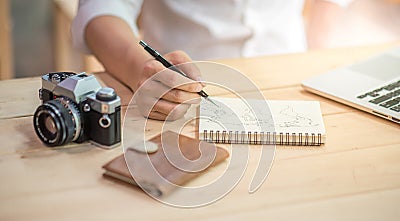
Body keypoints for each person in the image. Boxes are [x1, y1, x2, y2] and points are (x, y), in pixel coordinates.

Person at [72, 0, 351, 120]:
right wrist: (138, 70)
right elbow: (102, 9)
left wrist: (319, 53)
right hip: (177, 99)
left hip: (294, 78)